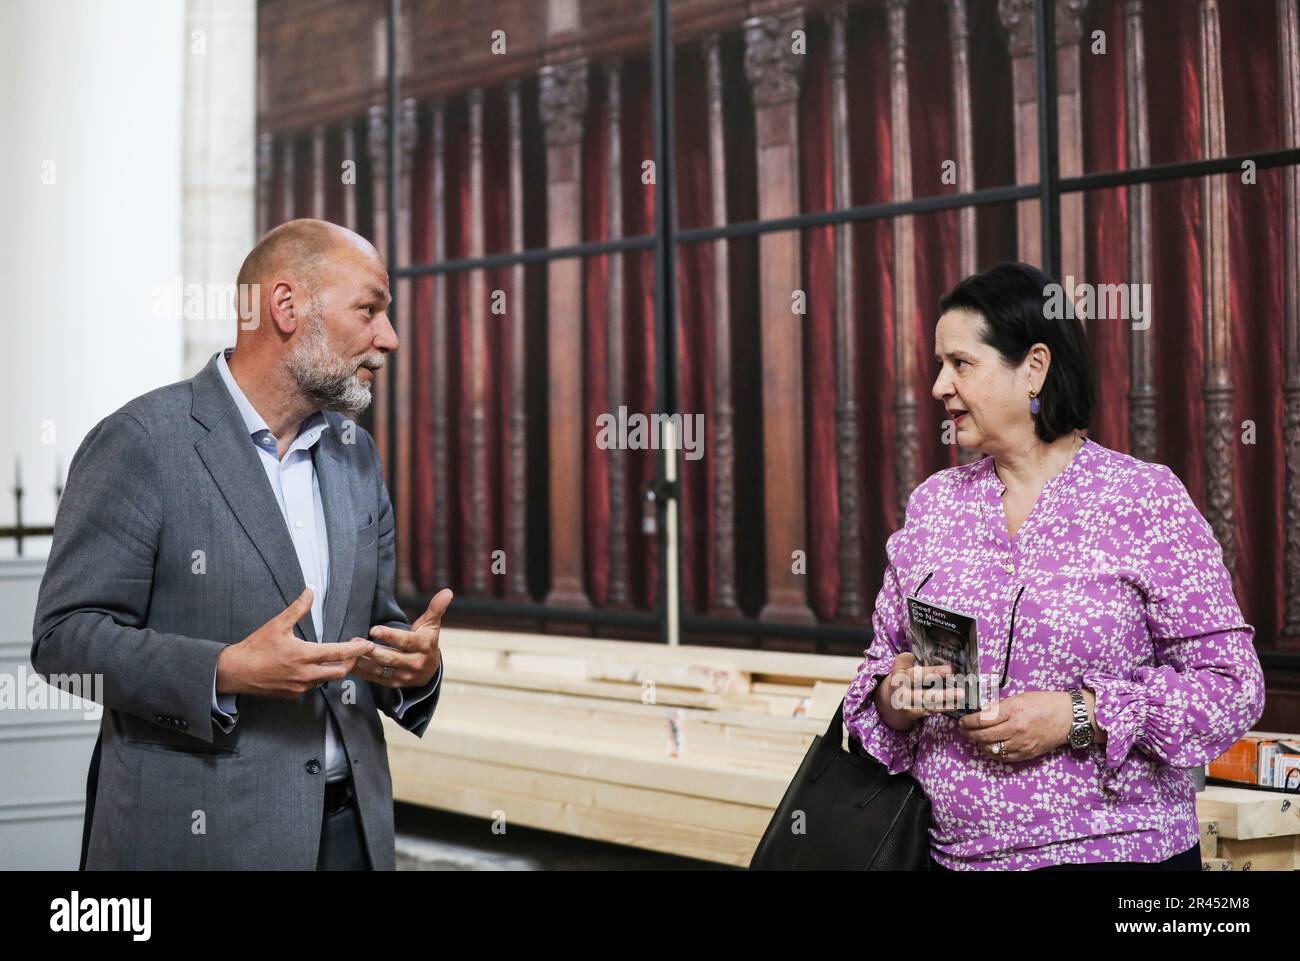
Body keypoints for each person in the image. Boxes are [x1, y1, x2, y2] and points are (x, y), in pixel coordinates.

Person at [31, 219, 451, 870]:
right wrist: (224, 670)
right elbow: (65, 641)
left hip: (350, 837)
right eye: (370, 309)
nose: (388, 339)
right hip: (202, 840)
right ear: (286, 306)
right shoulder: (143, 443)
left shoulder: (355, 456)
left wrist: (414, 668)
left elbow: (373, 631)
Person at [843, 261, 1265, 870]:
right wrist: (898, 694)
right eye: (940, 364)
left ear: (1034, 368)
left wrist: (1079, 716)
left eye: (961, 364)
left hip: (1120, 861)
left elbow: (1232, 689)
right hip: (952, 859)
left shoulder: (1143, 499)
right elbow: (881, 669)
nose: (939, 385)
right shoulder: (935, 505)